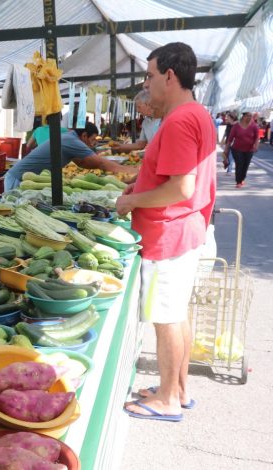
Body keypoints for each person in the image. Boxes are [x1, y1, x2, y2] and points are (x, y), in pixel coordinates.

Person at [116, 42, 216, 423]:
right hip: (185, 231)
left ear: (170, 76)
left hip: (168, 233)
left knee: (167, 317)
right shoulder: (196, 114)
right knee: (178, 313)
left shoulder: (178, 120)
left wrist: (133, 202)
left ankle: (168, 399)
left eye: (151, 75)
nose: (148, 82)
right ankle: (178, 389)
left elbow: (180, 188)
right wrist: (139, 189)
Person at [3, 122, 137, 191]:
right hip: (18, 178)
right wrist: (131, 170)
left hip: (24, 178)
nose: (94, 143)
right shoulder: (71, 140)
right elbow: (101, 163)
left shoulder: (69, 138)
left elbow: (82, 163)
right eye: (93, 139)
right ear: (84, 135)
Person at [224, 111, 259, 188]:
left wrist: (256, 146)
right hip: (237, 150)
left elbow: (256, 137)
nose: (250, 117)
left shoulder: (254, 126)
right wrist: (226, 149)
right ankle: (238, 181)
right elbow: (230, 139)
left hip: (249, 150)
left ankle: (242, 178)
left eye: (251, 115)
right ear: (243, 116)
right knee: (239, 164)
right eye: (248, 115)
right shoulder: (236, 126)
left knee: (245, 166)